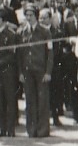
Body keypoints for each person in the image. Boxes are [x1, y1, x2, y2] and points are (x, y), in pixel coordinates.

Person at [16, 8, 53, 138]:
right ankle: (31, 129)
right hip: (27, 71)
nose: (29, 17)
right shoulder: (21, 32)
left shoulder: (44, 32)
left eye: (31, 15)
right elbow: (19, 55)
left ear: (36, 16)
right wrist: (20, 72)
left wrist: (48, 72)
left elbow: (50, 53)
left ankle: (42, 130)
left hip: (41, 70)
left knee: (42, 100)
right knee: (30, 100)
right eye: (27, 15)